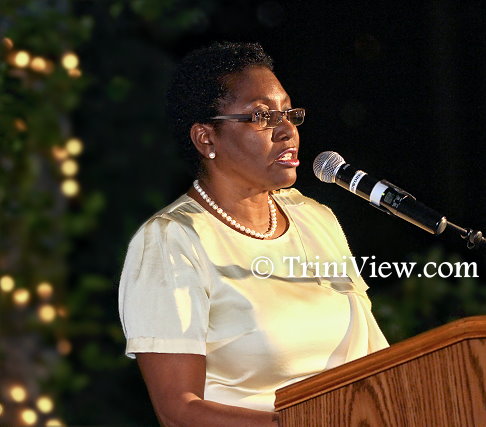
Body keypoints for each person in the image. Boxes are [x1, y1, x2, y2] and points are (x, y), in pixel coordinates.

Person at [118, 42, 388, 426]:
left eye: (289, 113)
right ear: (206, 138)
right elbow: (179, 410)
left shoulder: (315, 219)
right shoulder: (172, 241)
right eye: (262, 116)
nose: (287, 131)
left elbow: (375, 359)